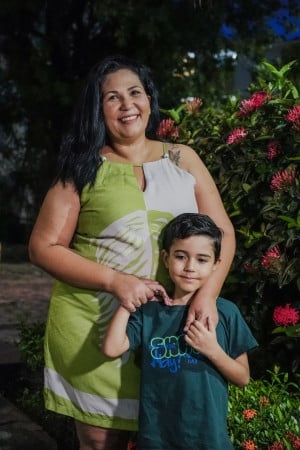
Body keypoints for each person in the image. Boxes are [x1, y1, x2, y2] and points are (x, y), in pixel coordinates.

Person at [28, 55, 236, 450]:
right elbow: (42, 247)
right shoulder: (82, 167)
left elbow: (222, 230)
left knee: (171, 435)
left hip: (168, 329)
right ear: (98, 108)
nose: (127, 105)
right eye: (112, 97)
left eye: (135, 93)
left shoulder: (183, 159)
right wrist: (115, 281)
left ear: (149, 100)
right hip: (95, 325)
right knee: (100, 442)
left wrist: (206, 296)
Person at [102, 213, 258, 450]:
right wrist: (128, 302)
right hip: (157, 440)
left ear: (216, 264)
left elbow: (243, 377)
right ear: (166, 258)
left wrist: (212, 350)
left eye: (202, 259)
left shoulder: (225, 312)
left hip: (209, 440)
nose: (190, 267)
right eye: (181, 256)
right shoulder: (150, 312)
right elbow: (112, 348)